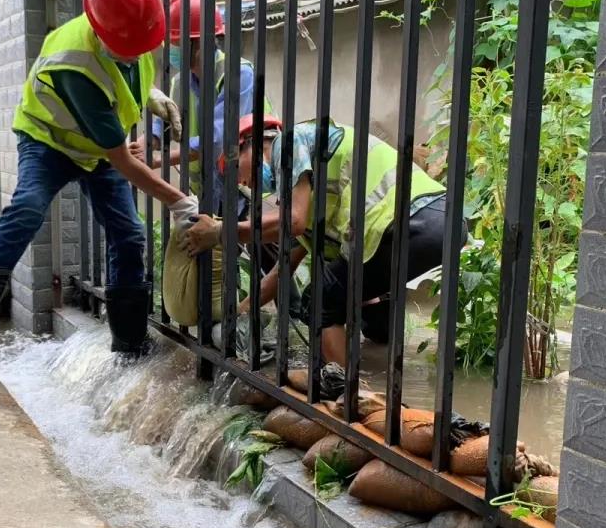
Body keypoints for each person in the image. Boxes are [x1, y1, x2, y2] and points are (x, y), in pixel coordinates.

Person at [0, 0, 199, 378]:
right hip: (49, 141)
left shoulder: (133, 28)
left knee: (129, 234)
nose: (138, 51)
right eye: (127, 44)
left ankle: (129, 342)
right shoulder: (74, 63)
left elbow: (126, 75)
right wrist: (179, 201)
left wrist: (151, 93)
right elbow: (122, 159)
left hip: (96, 150)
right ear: (100, 28)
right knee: (27, 208)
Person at [182, 117, 452, 368]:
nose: (241, 182)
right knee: (374, 327)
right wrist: (240, 312)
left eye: (233, 167)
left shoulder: (288, 141)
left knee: (319, 300)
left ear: (251, 142)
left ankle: (345, 392)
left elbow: (293, 221)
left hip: (410, 220)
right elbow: (280, 271)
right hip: (438, 222)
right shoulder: (309, 194)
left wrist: (221, 231)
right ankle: (361, 375)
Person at [131, 0, 273, 215]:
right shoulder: (181, 82)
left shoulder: (238, 74)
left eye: (175, 43)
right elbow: (165, 121)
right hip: (205, 189)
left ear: (199, 44)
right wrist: (145, 144)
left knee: (233, 236)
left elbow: (219, 138)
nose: (170, 49)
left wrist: (159, 160)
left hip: (243, 187)